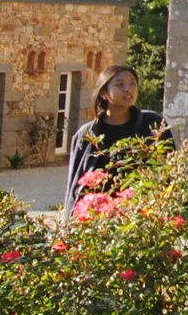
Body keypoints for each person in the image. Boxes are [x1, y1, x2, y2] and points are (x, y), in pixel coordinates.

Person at [65, 65, 170, 208]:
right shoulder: (87, 134)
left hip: (142, 212)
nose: (128, 89)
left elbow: (171, 173)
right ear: (103, 93)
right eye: (120, 84)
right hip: (100, 214)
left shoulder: (153, 123)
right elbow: (75, 186)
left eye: (132, 83)